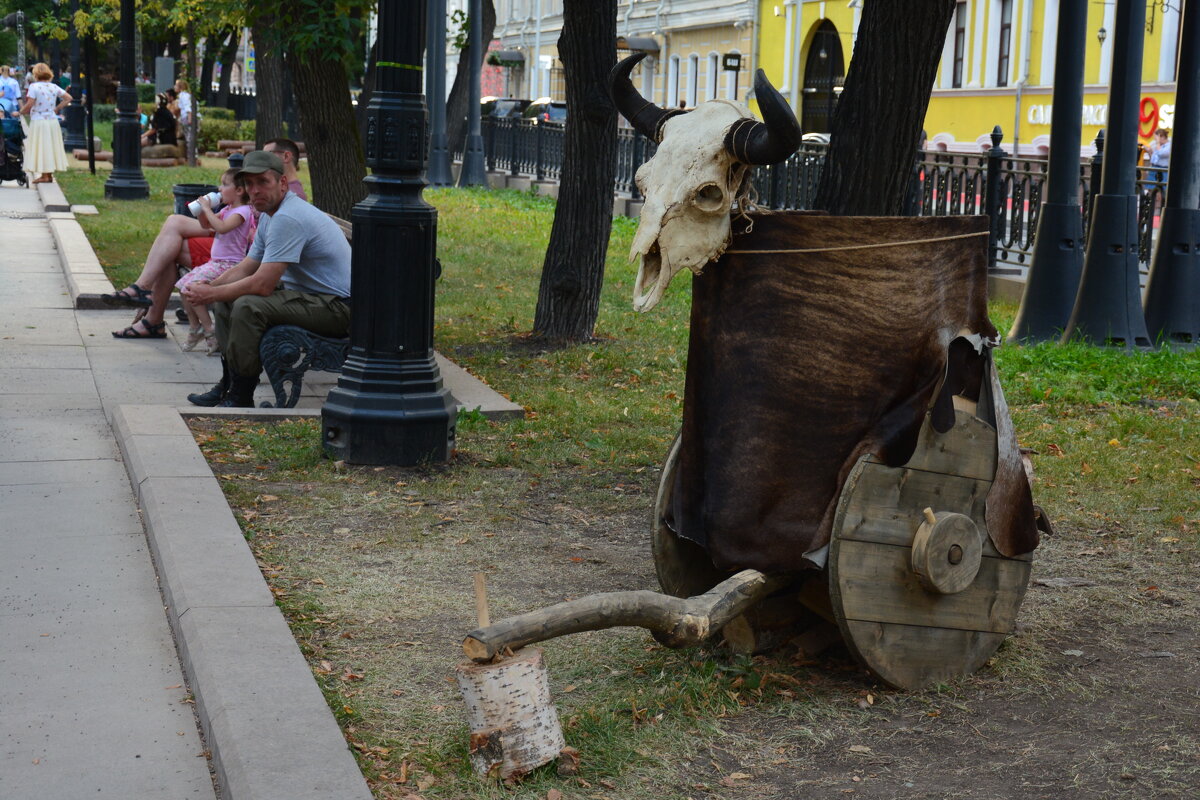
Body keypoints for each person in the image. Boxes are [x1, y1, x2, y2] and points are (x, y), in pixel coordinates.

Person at [183, 150, 350, 408]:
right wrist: (210, 287)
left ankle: (241, 395)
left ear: (282, 183)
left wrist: (210, 294)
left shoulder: (288, 218)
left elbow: (262, 285)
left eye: (263, 182)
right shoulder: (271, 214)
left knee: (248, 306)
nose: (255, 190)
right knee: (228, 299)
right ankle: (229, 383)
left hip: (339, 307)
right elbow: (247, 266)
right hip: (316, 298)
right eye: (249, 184)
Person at [173, 169, 256, 354]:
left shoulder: (242, 212)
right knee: (182, 286)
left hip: (230, 265)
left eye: (225, 184)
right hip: (216, 262)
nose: (220, 188)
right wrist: (203, 212)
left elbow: (222, 228)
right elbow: (207, 226)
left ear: (239, 191)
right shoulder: (227, 209)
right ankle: (196, 327)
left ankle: (210, 330)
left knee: (192, 286)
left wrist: (208, 209)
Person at [19, 62, 71, 184]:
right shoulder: (53, 86)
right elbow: (69, 98)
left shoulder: (34, 87)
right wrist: (57, 108)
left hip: (39, 120)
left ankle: (44, 175)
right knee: (50, 147)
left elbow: (30, 103)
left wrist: (20, 112)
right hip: (52, 121)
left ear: (36, 74)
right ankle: (48, 175)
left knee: (42, 147)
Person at [175, 79, 193, 156]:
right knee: (188, 137)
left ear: (180, 87)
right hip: (184, 117)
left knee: (189, 137)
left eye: (176, 85)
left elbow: (187, 107)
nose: (174, 86)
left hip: (186, 118)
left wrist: (189, 119)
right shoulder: (182, 95)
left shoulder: (184, 95)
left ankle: (191, 155)